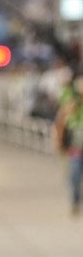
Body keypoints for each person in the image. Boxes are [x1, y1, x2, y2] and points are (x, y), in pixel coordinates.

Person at [54, 73, 83, 215]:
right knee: (74, 177)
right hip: (75, 150)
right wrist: (59, 142)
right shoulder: (72, 105)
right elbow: (61, 123)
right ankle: (75, 201)